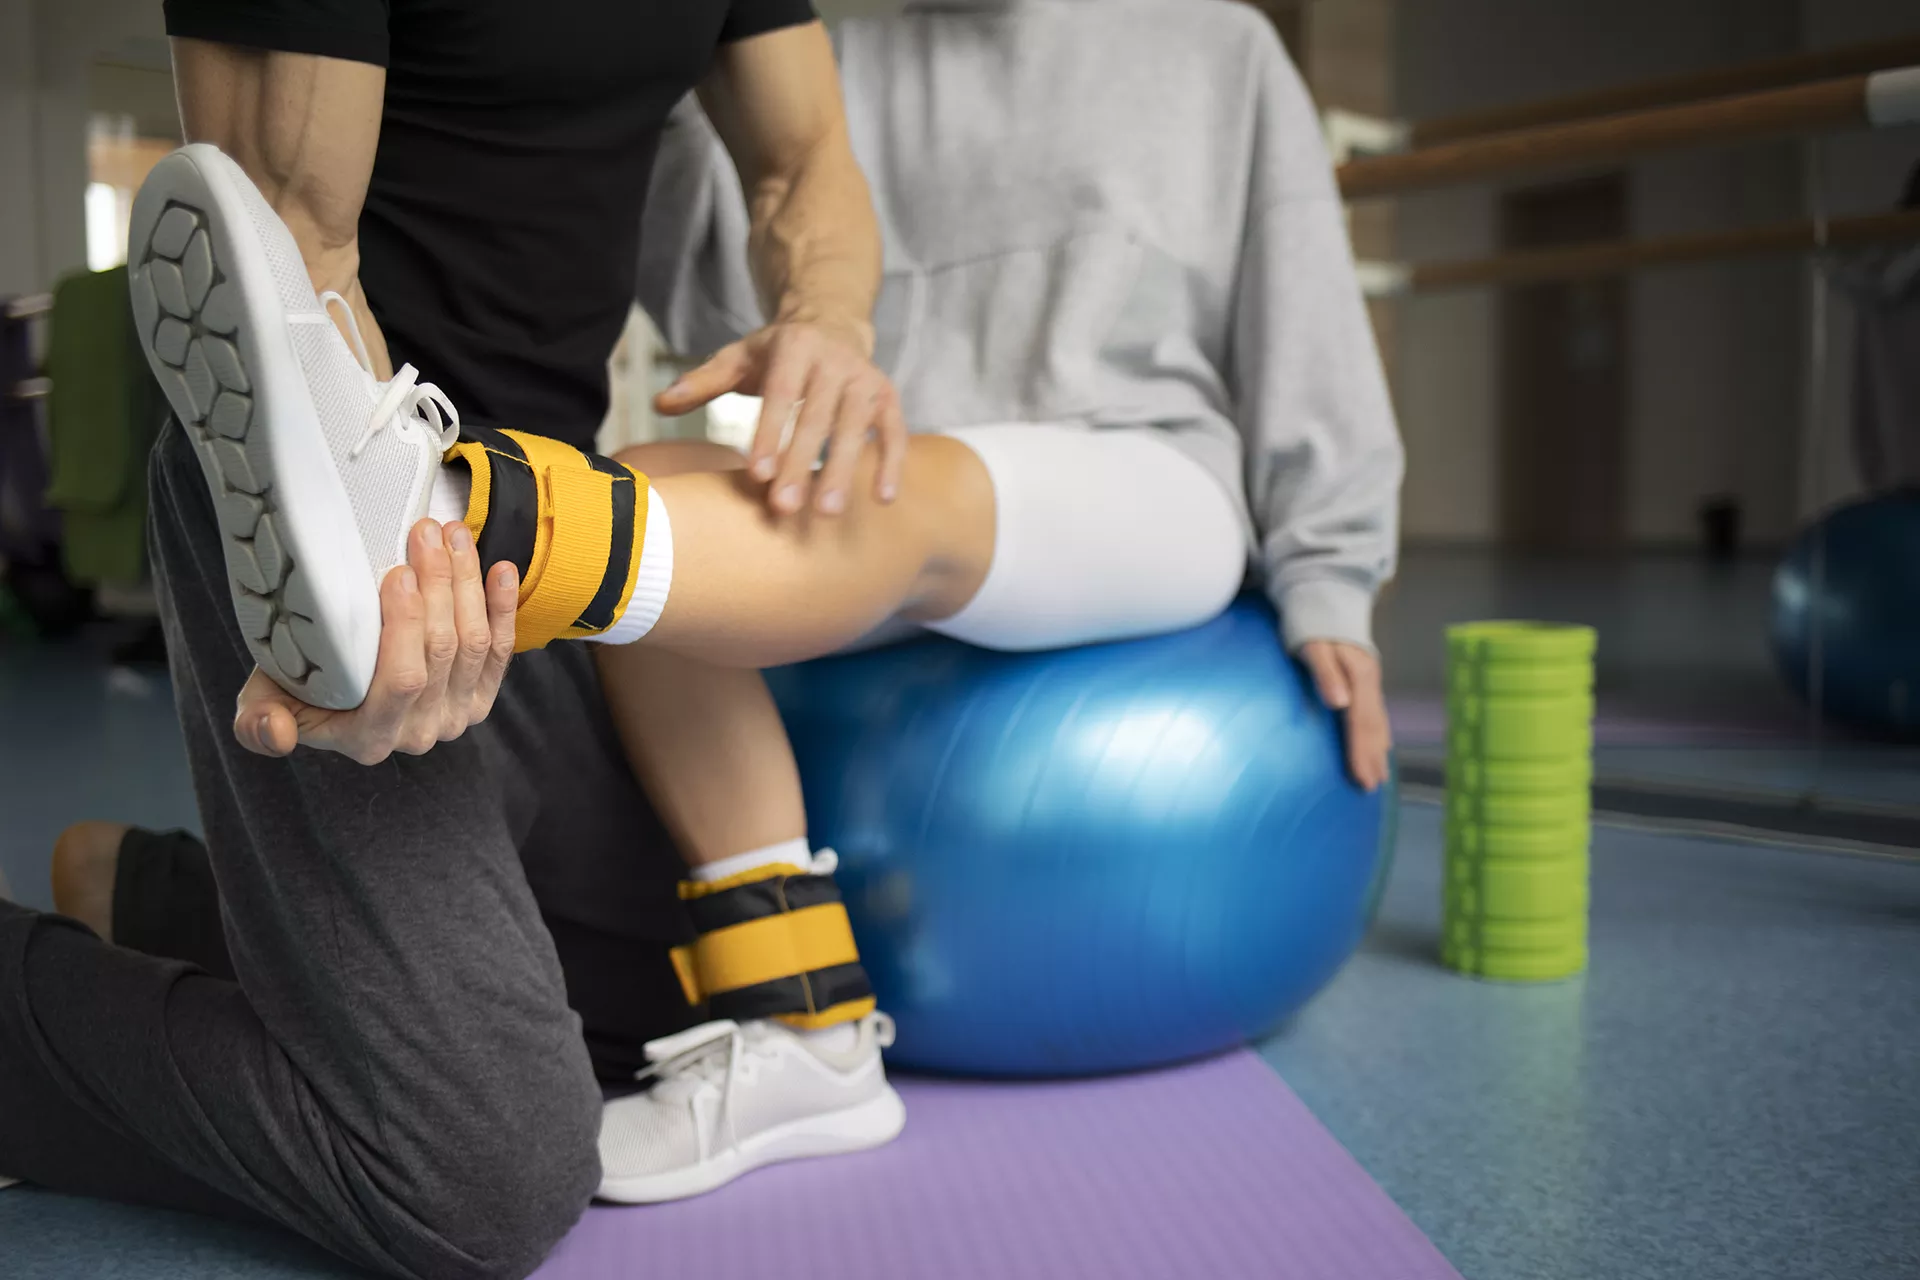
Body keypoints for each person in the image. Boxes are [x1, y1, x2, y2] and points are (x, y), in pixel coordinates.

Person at [1, 5, 937, 1277]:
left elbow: (802, 153)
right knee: (485, 1172)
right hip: (334, 490)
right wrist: (386, 557)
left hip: (548, 524)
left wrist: (828, 317)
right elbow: (280, 252)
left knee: (690, 994)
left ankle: (167, 901)